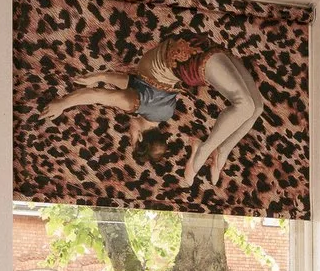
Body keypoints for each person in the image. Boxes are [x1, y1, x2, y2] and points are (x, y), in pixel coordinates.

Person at [38, 32, 265, 188]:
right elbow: (98, 96)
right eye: (130, 137)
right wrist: (63, 103)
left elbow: (131, 81)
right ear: (138, 137)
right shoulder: (135, 105)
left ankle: (216, 151)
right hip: (190, 56)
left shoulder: (162, 112)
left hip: (192, 50)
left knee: (250, 107)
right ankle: (205, 151)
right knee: (252, 107)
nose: (128, 132)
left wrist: (100, 76)